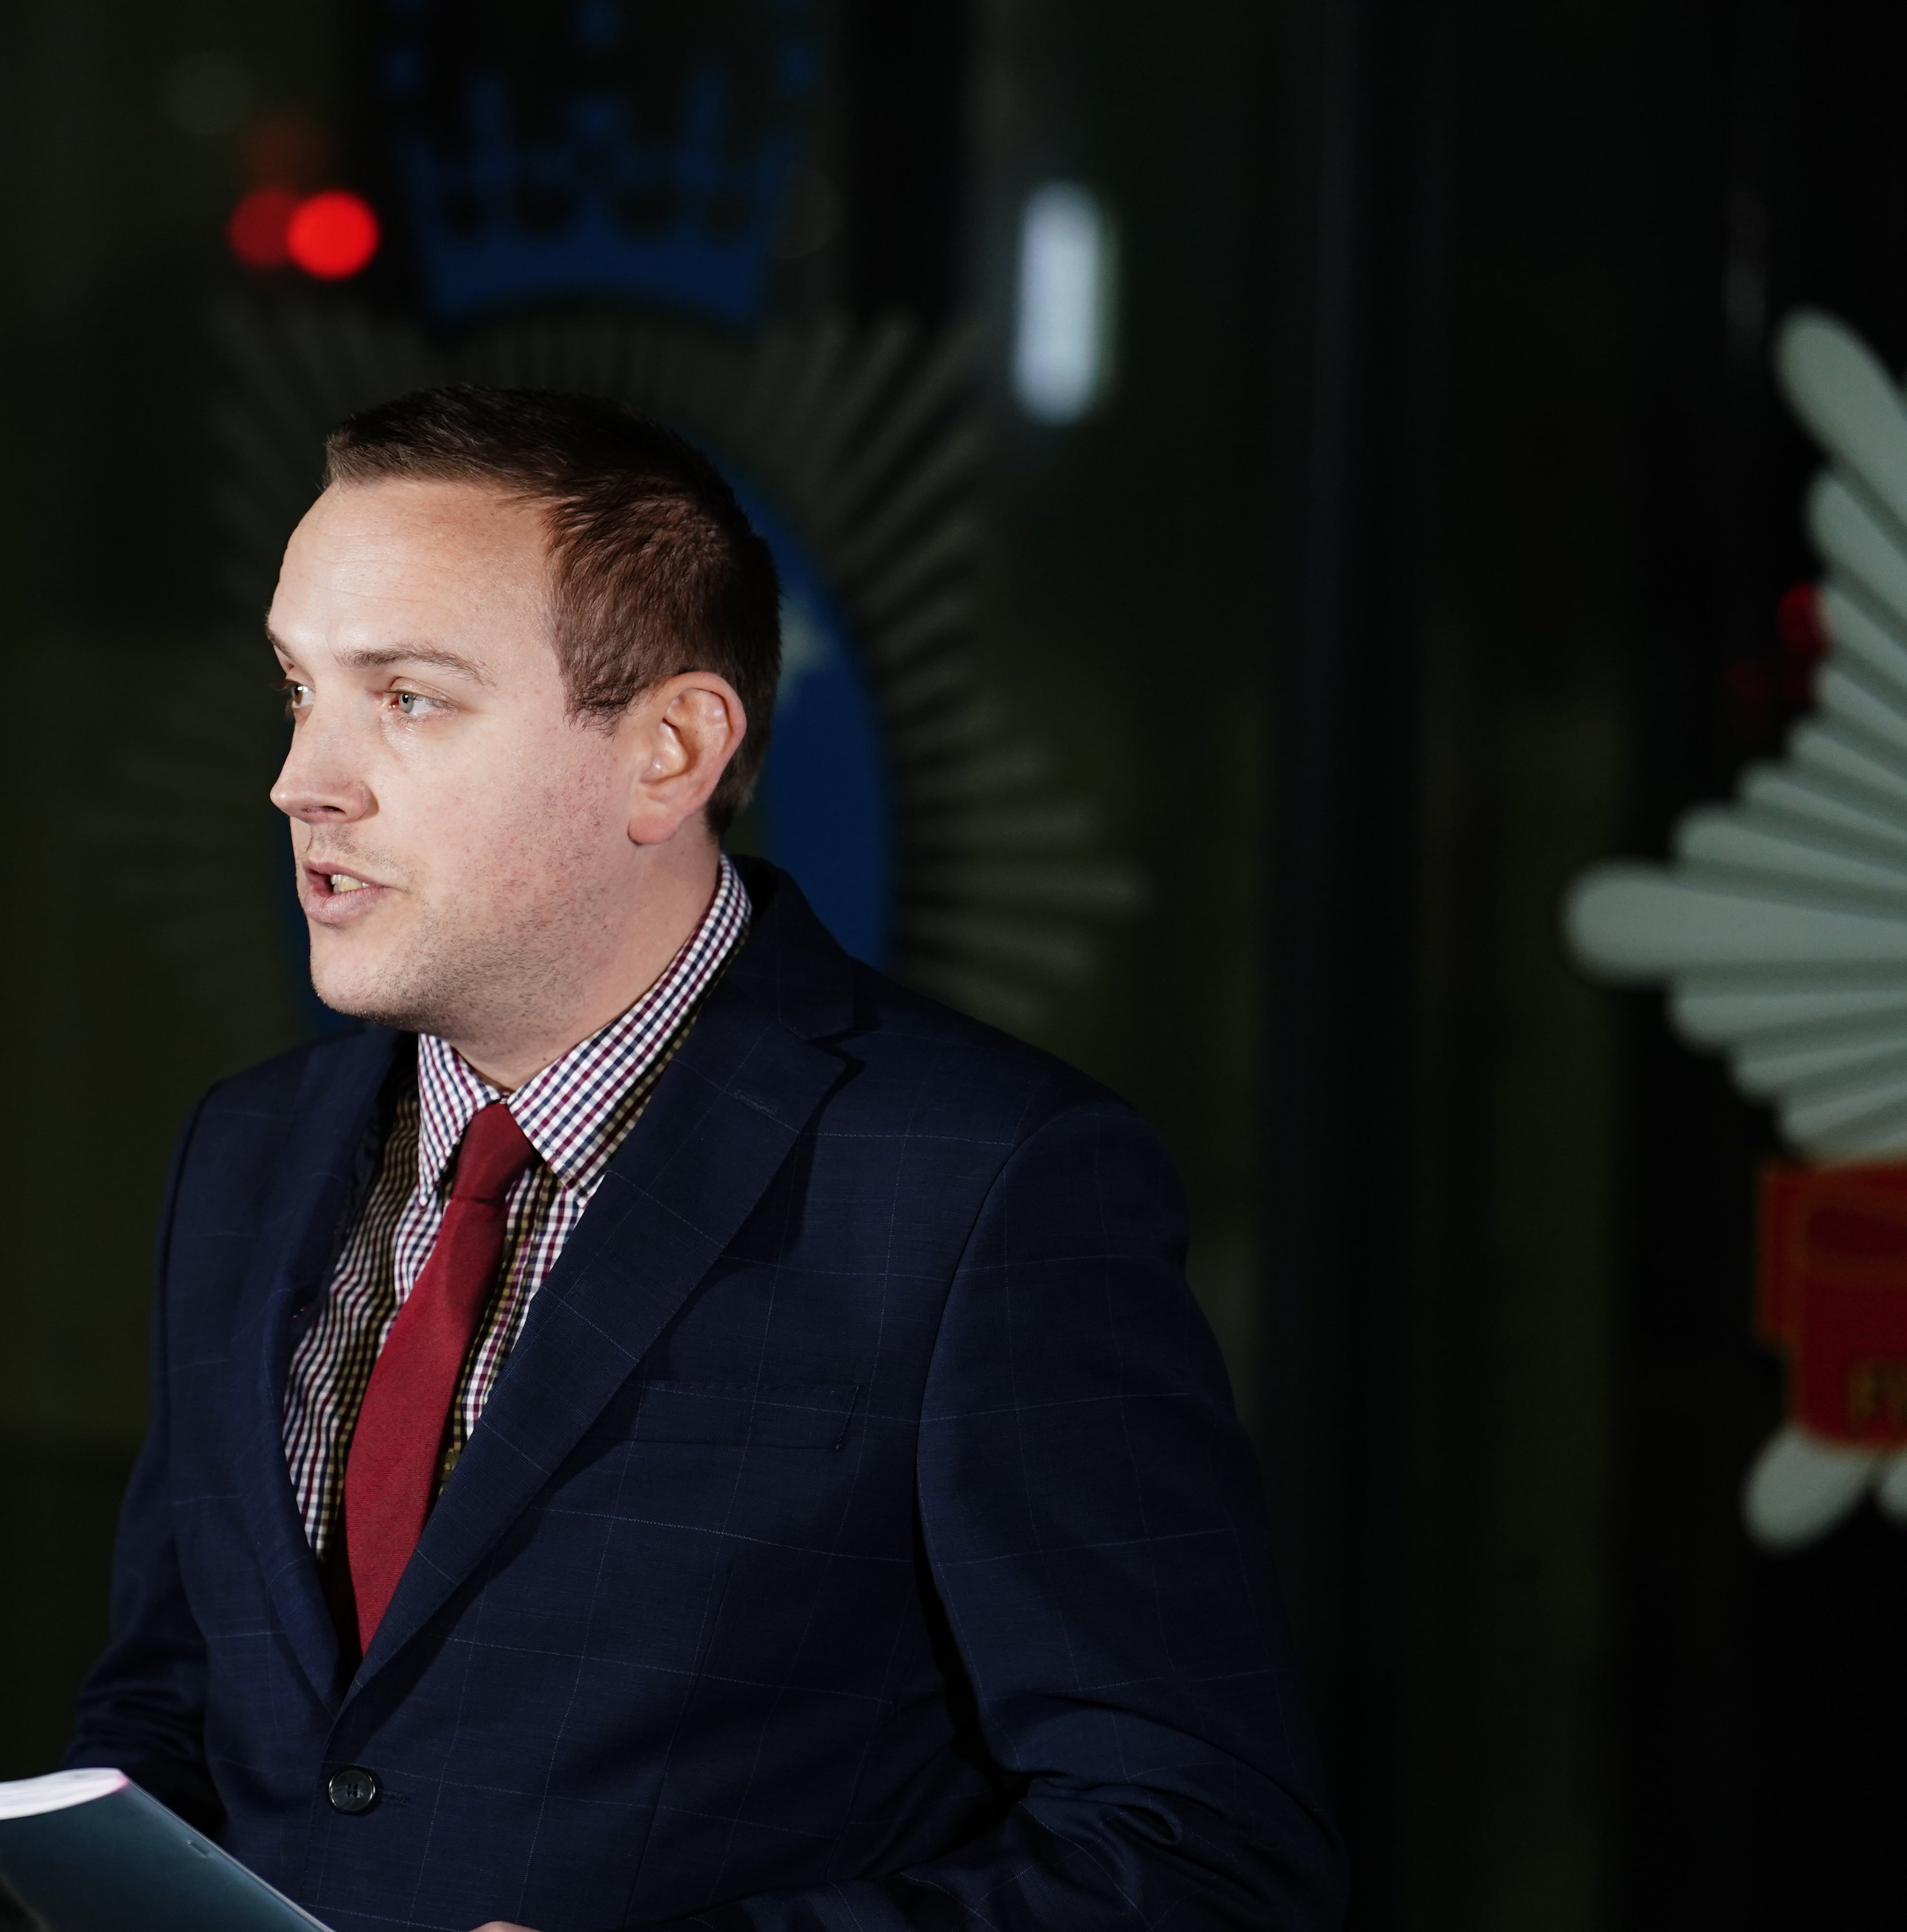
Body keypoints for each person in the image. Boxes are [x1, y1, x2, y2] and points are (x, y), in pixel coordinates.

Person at [68, 388, 1345, 1931]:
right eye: (299, 689)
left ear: (670, 751)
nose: (303, 780)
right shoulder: (245, 1156)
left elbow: (1203, 1856)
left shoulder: (983, 1185)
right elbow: (168, 1727)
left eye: (406, 697)